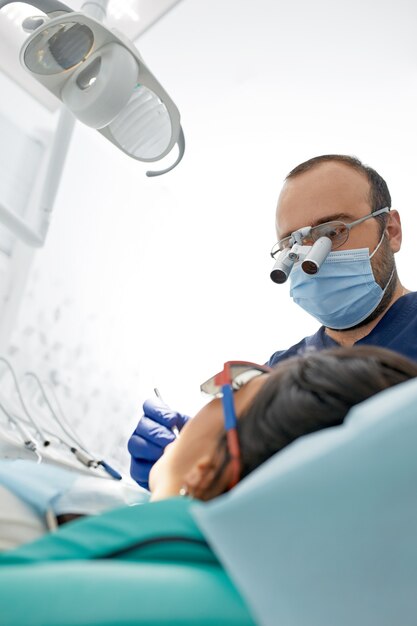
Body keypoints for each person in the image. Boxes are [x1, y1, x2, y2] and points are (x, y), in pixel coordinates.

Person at [128, 154, 417, 489]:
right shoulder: (276, 376)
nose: (312, 258)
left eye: (333, 232)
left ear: (392, 231)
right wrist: (193, 460)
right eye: (292, 243)